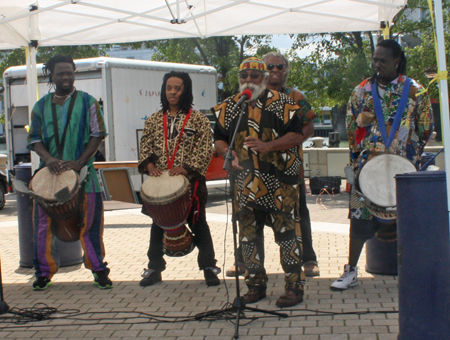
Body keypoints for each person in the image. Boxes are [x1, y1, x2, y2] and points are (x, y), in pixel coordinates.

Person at [330, 39, 434, 290]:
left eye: (383, 60)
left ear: (397, 61)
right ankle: (350, 271)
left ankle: (416, 274)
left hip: (403, 170)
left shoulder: (415, 91)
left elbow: (426, 127)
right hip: (368, 168)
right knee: (359, 220)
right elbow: (353, 129)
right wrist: (357, 165)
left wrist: (410, 159)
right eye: (375, 59)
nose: (377, 64)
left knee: (409, 222)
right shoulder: (362, 90)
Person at [213, 57, 305, 307]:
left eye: (255, 76)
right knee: (248, 236)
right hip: (244, 182)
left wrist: (268, 146)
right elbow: (219, 138)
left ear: (264, 79)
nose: (249, 81)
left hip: (280, 181)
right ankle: (255, 286)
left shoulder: (284, 103)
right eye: (245, 76)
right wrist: (226, 153)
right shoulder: (229, 106)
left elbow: (297, 135)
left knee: (286, 234)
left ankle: (294, 287)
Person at [225, 52, 320, 278]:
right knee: (249, 215)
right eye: (271, 66)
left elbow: (308, 128)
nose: (275, 70)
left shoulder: (295, 97)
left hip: (287, 169)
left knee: (298, 213)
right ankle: (246, 262)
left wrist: (277, 144)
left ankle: (308, 259)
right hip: (250, 170)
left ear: (285, 70)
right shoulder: (244, 97)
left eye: (280, 66)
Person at [27, 54, 112, 290]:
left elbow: (97, 135)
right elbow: (34, 139)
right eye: (60, 73)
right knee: (43, 228)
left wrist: (80, 162)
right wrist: (49, 158)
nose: (66, 77)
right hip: (49, 180)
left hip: (86, 177)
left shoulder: (88, 102)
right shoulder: (40, 106)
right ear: (51, 76)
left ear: (74, 73)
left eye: (69, 72)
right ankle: (43, 273)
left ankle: (98, 270)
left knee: (91, 226)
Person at [138, 71, 220, 287]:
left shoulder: (198, 119)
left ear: (186, 91)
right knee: (157, 225)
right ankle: (154, 268)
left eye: (178, 88)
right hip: (160, 185)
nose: (172, 92)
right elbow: (145, 144)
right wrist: (150, 166)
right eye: (169, 88)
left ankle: (209, 267)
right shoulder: (154, 120)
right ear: (163, 91)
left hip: (190, 184)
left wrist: (185, 168)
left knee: (199, 223)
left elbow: (205, 149)